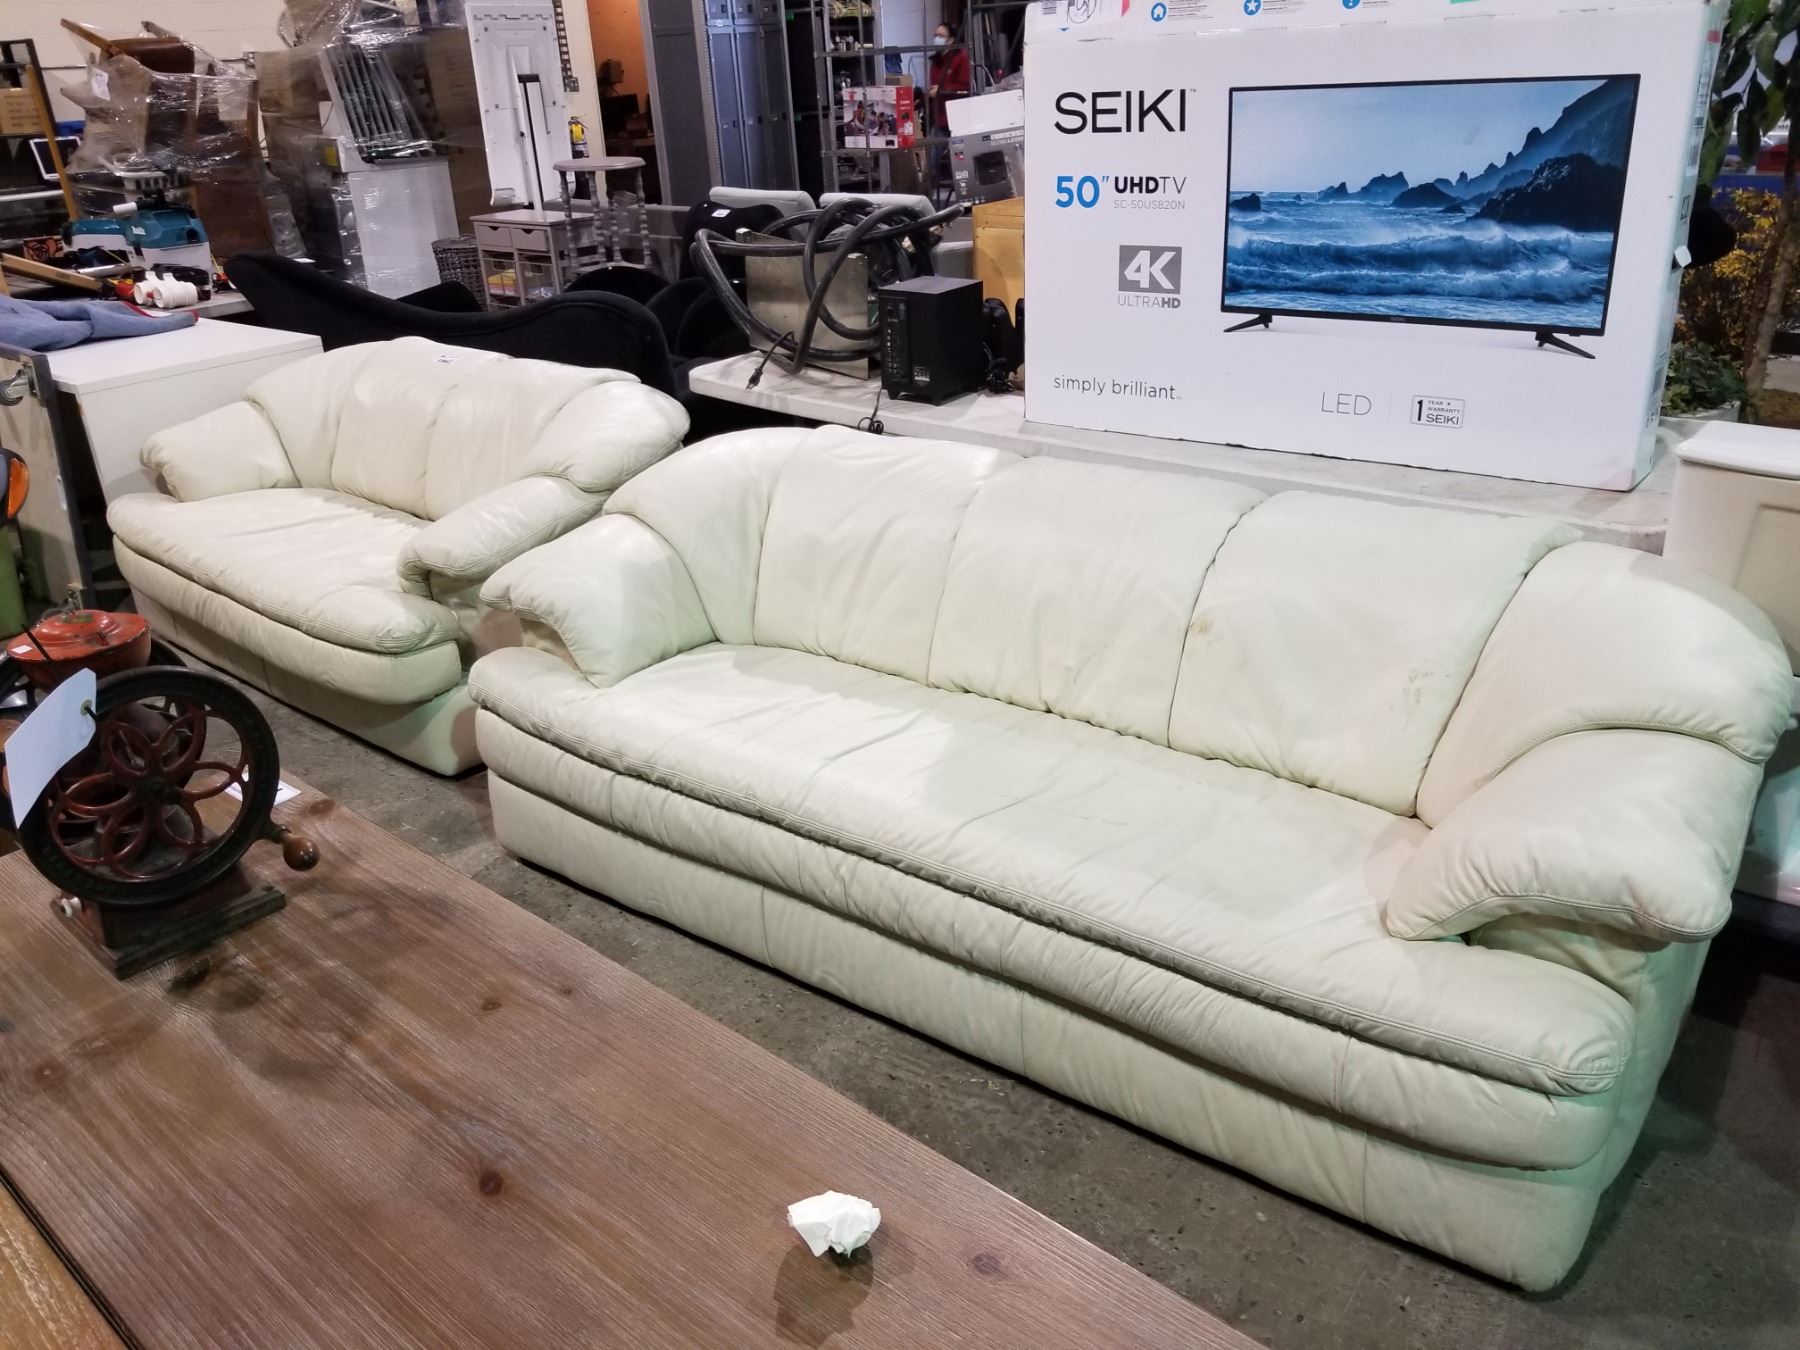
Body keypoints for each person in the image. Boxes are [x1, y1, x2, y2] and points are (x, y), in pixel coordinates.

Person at [927, 22, 971, 134]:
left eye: (941, 36)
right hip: (939, 116)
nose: (937, 39)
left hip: (956, 116)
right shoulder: (936, 60)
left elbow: (964, 87)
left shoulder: (961, 58)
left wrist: (941, 90)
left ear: (951, 39)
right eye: (935, 35)